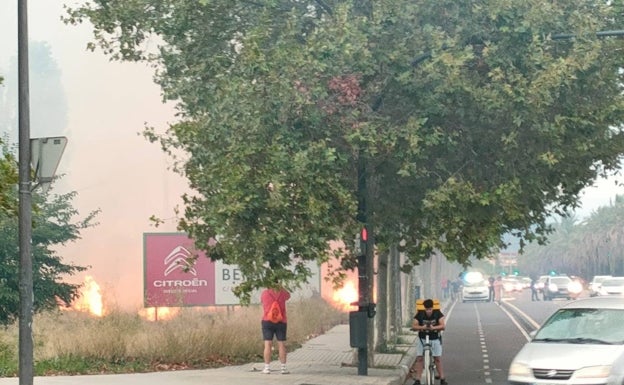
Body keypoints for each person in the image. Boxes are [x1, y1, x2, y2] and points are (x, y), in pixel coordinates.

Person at [410, 299, 448, 385]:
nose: (428, 311)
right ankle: (418, 380)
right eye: (427, 309)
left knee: (437, 358)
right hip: (422, 338)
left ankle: (442, 378)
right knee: (419, 358)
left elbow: (443, 325)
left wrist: (434, 328)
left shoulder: (438, 313)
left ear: (432, 308)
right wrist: (422, 327)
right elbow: (414, 325)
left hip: (434, 338)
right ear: (424, 308)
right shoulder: (420, 314)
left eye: (430, 309)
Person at [260, 283, 291, 374]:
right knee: (281, 344)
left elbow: (262, 302)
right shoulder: (282, 293)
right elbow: (288, 296)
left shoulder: (265, 293)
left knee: (267, 344)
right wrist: (281, 288)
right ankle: (283, 368)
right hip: (281, 321)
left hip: (267, 321)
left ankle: (267, 368)